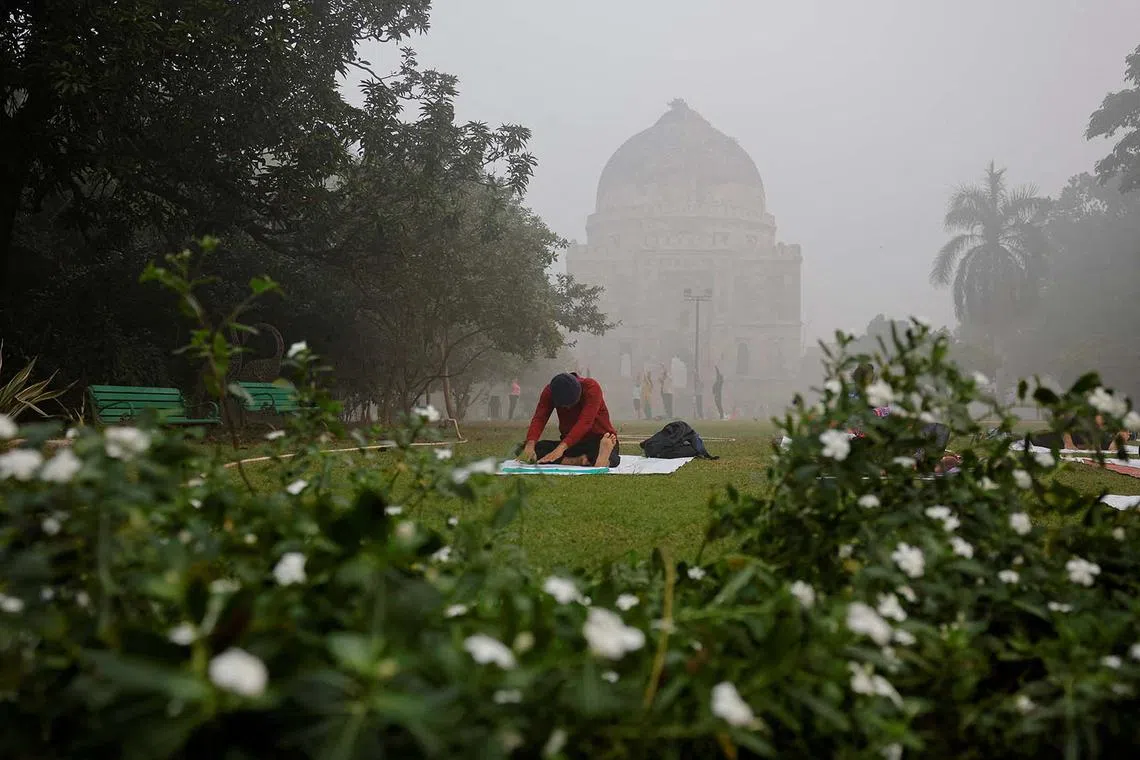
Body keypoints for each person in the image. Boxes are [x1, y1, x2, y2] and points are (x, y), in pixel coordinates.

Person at [520, 372, 620, 467]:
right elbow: (540, 418)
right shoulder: (550, 391)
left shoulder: (591, 387)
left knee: (609, 454)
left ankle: (603, 459)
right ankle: (578, 461)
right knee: (525, 448)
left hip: (597, 439)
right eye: (564, 406)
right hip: (572, 444)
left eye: (572, 404)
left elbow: (585, 422)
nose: (568, 409)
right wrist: (530, 444)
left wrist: (561, 448)